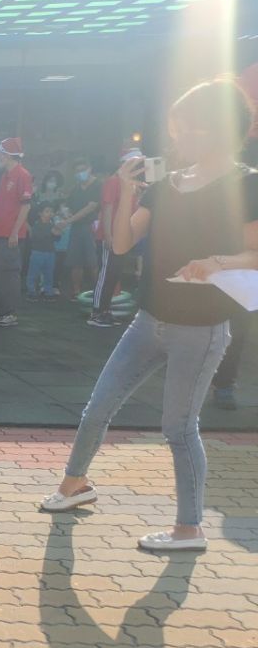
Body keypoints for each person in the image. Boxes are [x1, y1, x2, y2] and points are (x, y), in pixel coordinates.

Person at [41, 77, 258, 551]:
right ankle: (74, 485)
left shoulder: (246, 183)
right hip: (149, 319)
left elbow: (255, 254)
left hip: (201, 327)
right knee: (98, 406)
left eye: (191, 127)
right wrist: (126, 193)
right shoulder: (168, 184)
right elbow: (121, 244)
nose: (180, 136)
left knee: (178, 428)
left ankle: (189, 529)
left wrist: (217, 262)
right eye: (178, 126)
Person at [0, 138, 33, 328]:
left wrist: (15, 232)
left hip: (11, 235)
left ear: (8, 155)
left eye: (0, 153)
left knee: (9, 273)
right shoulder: (4, 175)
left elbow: (26, 206)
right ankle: (1, 311)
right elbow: (1, 206)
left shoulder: (23, 175)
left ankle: (10, 313)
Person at [90, 150, 141, 328]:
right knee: (106, 274)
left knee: (114, 274)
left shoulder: (131, 183)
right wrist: (108, 235)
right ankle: (97, 312)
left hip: (123, 236)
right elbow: (108, 208)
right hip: (111, 236)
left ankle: (105, 310)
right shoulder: (113, 181)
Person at [60, 156, 102, 299]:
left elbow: (91, 207)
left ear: (90, 169)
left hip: (92, 227)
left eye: (83, 170)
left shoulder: (98, 185)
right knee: (75, 262)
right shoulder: (75, 188)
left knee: (93, 262)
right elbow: (67, 205)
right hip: (76, 228)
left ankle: (99, 291)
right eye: (77, 171)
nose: (80, 173)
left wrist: (69, 220)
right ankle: (76, 292)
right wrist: (65, 211)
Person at [25, 203, 61, 301]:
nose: (50, 214)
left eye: (51, 212)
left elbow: (57, 239)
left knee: (49, 273)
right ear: (40, 213)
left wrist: (57, 234)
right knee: (33, 273)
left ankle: (48, 291)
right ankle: (31, 291)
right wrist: (52, 233)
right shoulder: (37, 225)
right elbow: (36, 237)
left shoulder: (53, 225)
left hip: (50, 253)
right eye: (47, 211)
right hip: (37, 252)